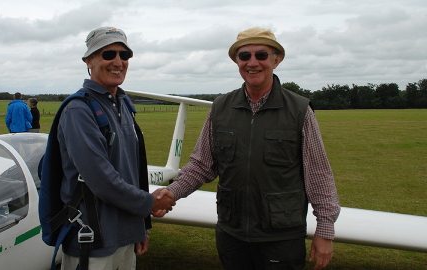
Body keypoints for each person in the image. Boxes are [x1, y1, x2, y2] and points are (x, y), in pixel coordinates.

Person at [154, 27, 341, 270]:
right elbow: (201, 166)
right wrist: (171, 192)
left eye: (261, 55)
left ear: (277, 59)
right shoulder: (220, 107)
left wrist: (325, 230)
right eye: (244, 56)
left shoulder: (299, 110)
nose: (253, 63)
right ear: (236, 61)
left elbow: (318, 174)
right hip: (232, 235)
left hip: (281, 238)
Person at [56, 27, 175, 270]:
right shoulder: (78, 110)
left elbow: (133, 174)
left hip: (126, 238)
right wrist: (149, 203)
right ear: (89, 61)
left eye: (125, 55)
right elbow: (101, 179)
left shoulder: (123, 103)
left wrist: (140, 227)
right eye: (108, 54)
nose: (118, 62)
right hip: (91, 241)